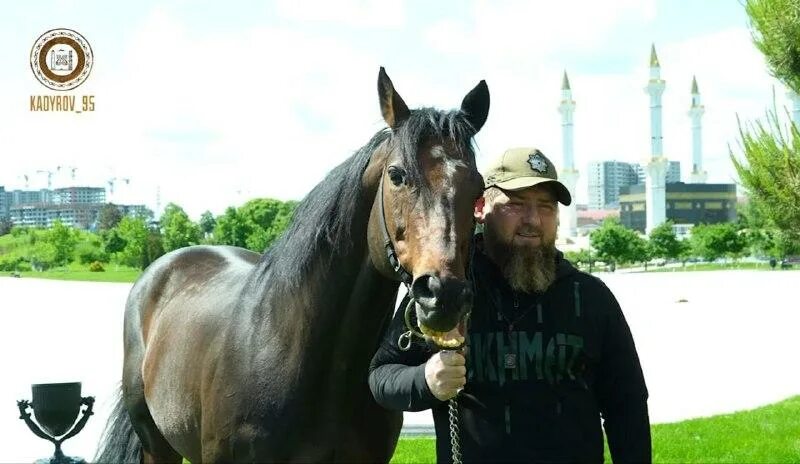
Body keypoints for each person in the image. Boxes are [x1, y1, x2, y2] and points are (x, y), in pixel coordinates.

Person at [369, 147, 651, 463]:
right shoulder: (446, 293)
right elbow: (382, 375)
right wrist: (425, 381)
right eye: (516, 205)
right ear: (480, 208)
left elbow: (628, 407)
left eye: (545, 207)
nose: (533, 220)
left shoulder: (590, 297)